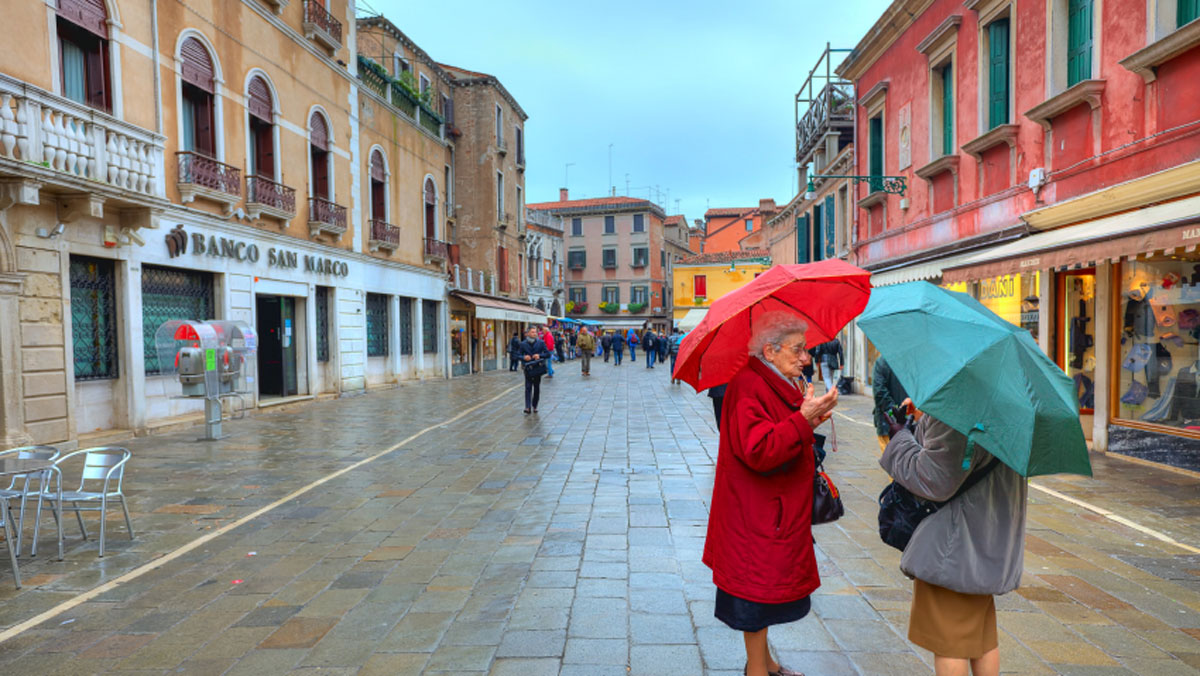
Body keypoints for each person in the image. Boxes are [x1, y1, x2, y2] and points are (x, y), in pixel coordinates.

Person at [702, 311, 839, 676]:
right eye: (798, 350)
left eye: (805, 349)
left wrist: (808, 416)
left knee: (759, 596)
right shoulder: (749, 385)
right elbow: (760, 450)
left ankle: (764, 663)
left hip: (768, 511)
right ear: (770, 350)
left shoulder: (772, 380)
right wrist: (803, 419)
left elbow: (780, 430)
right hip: (757, 514)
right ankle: (757, 671)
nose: (805, 357)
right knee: (754, 598)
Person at [880, 412, 1026, 676]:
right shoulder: (1009, 412)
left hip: (954, 546)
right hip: (988, 540)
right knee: (981, 640)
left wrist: (900, 438)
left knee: (950, 645)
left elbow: (933, 479)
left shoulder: (959, 411)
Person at [872, 357, 910, 453]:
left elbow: (879, 392)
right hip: (910, 420)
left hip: (888, 422)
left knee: (891, 460)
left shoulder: (882, 361)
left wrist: (894, 413)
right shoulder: (913, 360)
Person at [516, 327, 551, 414]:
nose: (534, 334)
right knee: (528, 387)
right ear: (528, 333)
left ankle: (535, 405)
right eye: (532, 332)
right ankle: (527, 407)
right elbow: (517, 355)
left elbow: (548, 354)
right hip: (528, 368)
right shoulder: (523, 344)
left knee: (536, 388)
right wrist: (524, 357)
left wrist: (539, 355)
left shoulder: (541, 343)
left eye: (535, 332)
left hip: (537, 368)